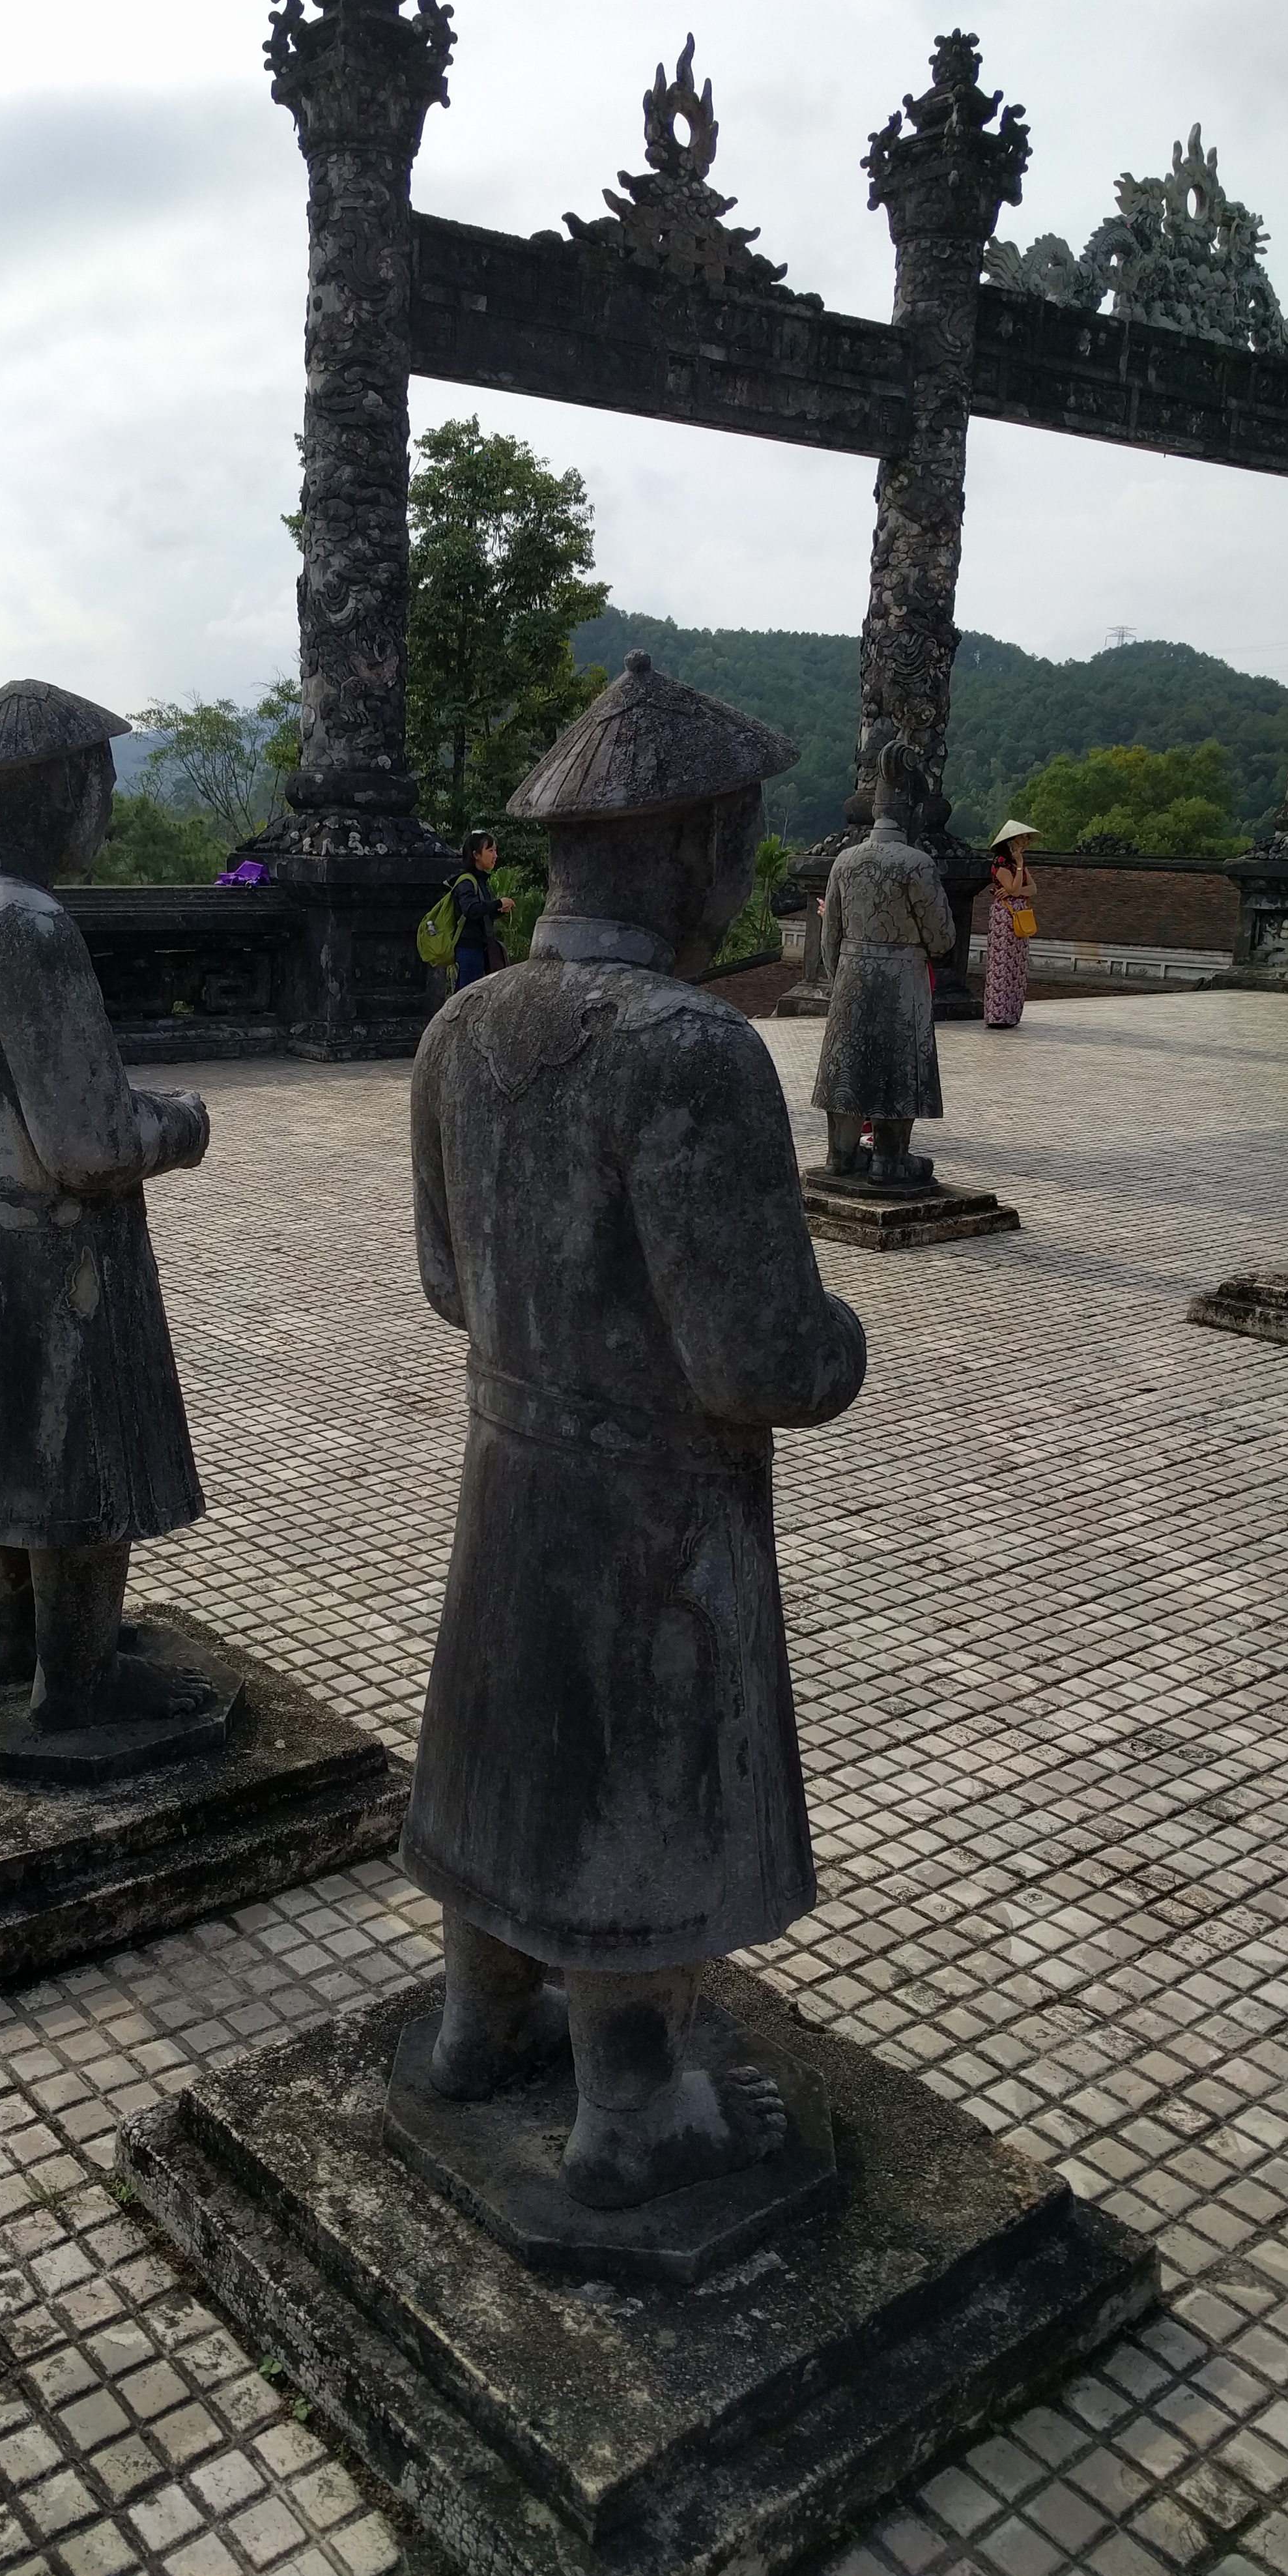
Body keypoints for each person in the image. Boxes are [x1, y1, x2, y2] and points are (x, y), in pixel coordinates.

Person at [406, 650, 866, 2210]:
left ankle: (478, 2022)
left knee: (505, 1739)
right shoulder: (688, 1049)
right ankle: (634, 2105)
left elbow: (449, 1284)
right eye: (740, 840)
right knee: (640, 1768)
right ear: (693, 848)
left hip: (513, 1464)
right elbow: (760, 1360)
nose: (746, 870)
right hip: (656, 1506)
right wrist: (841, 1345)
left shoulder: (464, 1028)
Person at [0, 677, 212, 1731]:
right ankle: (76, 1686)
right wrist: (179, 1124)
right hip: (61, 1249)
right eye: (100, 787)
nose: (107, 809)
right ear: (57, 792)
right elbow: (88, 1145)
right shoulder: (29, 924)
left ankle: (5, 1646)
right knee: (79, 1470)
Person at [811, 740, 957, 1185]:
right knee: (896, 1066)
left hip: (851, 977)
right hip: (901, 981)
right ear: (911, 812)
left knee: (848, 1064)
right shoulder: (917, 864)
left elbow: (830, 937)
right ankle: (888, 1160)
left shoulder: (845, 861)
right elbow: (942, 938)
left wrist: (843, 976)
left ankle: (840, 1155)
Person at [984, 818, 1038, 1028]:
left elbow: (1032, 889)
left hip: (1020, 913)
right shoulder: (1001, 863)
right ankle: (998, 1015)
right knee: (1002, 964)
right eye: (1022, 837)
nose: (1025, 840)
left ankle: (1012, 1013)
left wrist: (1015, 888)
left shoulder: (1017, 864)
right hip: (1005, 916)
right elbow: (1014, 889)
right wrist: (1018, 874)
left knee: (1017, 965)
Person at [450, 832, 513, 990]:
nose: (495, 856)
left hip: (479, 947)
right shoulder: (466, 881)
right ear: (476, 855)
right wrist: (497, 903)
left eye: (495, 851)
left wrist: (498, 910)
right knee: (468, 996)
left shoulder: (480, 880)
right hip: (469, 947)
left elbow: (481, 913)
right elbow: (470, 910)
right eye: (490, 851)